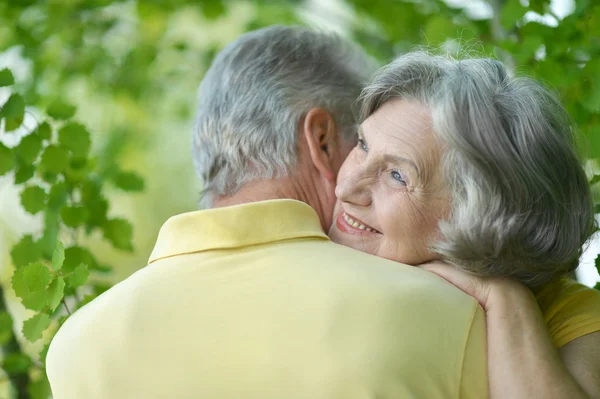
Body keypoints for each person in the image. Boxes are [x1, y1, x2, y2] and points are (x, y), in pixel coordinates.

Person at [46, 27, 489, 398]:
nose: (361, 180)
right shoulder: (441, 314)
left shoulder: (79, 345)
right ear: (321, 140)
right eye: (362, 143)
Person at [329, 50, 600, 398]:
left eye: (397, 176)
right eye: (363, 145)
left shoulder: (569, 313)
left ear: (481, 219)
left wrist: (503, 296)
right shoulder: (309, 232)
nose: (345, 188)